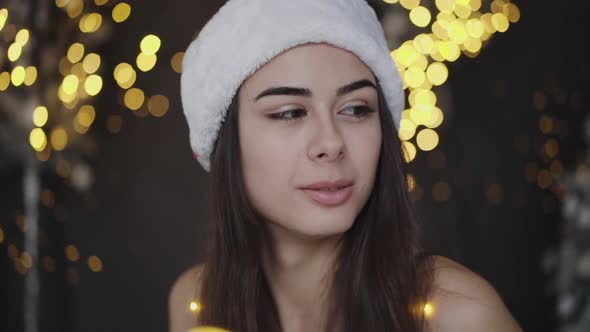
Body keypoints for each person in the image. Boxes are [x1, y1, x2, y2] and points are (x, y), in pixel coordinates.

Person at [169, 0, 523, 331]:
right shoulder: (197, 302)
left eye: (356, 109)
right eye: (289, 113)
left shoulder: (457, 312)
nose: (332, 143)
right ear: (225, 143)